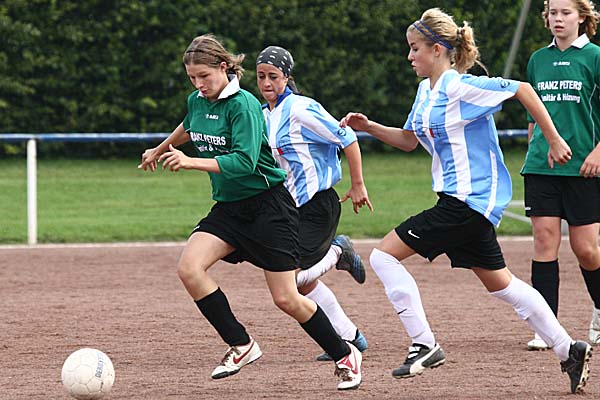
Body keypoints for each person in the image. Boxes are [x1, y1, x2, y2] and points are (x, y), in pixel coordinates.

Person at [340, 8, 592, 394]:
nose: (409, 56)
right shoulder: (426, 91)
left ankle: (424, 344)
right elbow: (409, 140)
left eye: (415, 48)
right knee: (501, 284)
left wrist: (555, 139)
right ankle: (568, 349)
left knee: (383, 256)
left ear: (438, 49)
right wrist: (369, 126)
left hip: (467, 201)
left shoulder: (461, 86)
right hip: (462, 203)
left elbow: (523, 90)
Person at [138, 34, 362, 390]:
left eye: (204, 76)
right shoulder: (198, 100)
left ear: (223, 68)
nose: (198, 84)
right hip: (229, 208)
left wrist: (190, 162)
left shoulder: (243, 104)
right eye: (192, 77)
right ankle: (241, 344)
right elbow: (190, 124)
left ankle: (344, 354)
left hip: (268, 208)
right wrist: (160, 148)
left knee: (287, 298)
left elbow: (243, 162)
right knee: (189, 268)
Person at [255, 45, 373, 361]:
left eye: (273, 76)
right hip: (289, 210)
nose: (266, 83)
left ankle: (338, 251)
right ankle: (351, 338)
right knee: (301, 285)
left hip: (317, 205)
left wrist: (357, 183)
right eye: (261, 76)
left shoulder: (301, 108)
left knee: (290, 281)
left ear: (286, 77)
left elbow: (347, 138)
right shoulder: (263, 114)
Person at [521, 0, 600, 352]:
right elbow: (534, 114)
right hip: (542, 167)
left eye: (565, 12)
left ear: (582, 16)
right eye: (553, 12)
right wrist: (534, 149)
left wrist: (598, 153)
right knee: (544, 242)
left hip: (584, 167)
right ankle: (547, 327)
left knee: (586, 249)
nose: (557, 18)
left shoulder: (595, 57)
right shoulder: (538, 59)